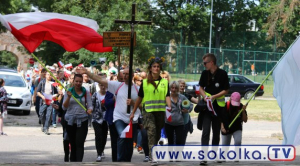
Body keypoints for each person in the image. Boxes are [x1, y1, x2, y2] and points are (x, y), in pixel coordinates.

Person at [75, 67, 141, 162]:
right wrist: (88, 73)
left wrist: (133, 103)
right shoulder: (117, 85)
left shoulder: (138, 89)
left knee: (129, 141)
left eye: (127, 74)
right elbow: (101, 80)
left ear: (132, 75)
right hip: (119, 118)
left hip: (132, 119)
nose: (125, 76)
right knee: (122, 136)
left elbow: (142, 107)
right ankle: (120, 161)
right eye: (124, 74)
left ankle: (127, 161)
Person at [130, 56, 171, 165]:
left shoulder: (165, 82)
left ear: (160, 68)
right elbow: (139, 98)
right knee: (151, 131)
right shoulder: (145, 82)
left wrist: (170, 108)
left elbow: (167, 96)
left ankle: (153, 151)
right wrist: (133, 112)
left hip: (160, 112)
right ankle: (153, 156)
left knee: (157, 134)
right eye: (154, 66)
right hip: (148, 112)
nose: (156, 68)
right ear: (150, 68)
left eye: (158, 67)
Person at [198, 53, 229, 165]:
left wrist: (214, 97)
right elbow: (201, 87)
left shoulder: (222, 74)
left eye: (205, 63)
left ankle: (214, 154)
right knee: (205, 132)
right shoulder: (204, 73)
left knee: (216, 133)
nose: (204, 65)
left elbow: (226, 90)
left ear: (212, 62)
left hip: (218, 109)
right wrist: (205, 97)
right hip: (207, 108)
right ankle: (204, 156)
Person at [62, 74, 93, 162]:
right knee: (73, 143)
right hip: (70, 121)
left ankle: (79, 162)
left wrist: (89, 110)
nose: (78, 83)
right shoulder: (69, 91)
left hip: (82, 120)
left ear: (82, 82)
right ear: (73, 81)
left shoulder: (86, 92)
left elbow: (90, 106)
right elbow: (64, 107)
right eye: (76, 81)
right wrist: (68, 97)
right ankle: (72, 162)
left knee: (80, 143)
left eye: (80, 81)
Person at [165, 81, 193, 146]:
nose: (174, 90)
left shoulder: (182, 97)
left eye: (175, 88)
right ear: (170, 88)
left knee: (179, 141)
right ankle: (171, 155)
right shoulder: (166, 97)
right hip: (168, 122)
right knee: (170, 142)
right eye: (172, 88)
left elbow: (190, 105)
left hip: (179, 123)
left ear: (178, 89)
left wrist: (187, 110)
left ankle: (178, 155)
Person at [91, 82, 113, 162]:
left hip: (106, 118)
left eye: (104, 85)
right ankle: (99, 153)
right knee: (98, 135)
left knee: (104, 136)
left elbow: (111, 105)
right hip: (96, 118)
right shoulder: (95, 95)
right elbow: (91, 105)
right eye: (101, 85)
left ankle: (102, 149)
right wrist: (90, 110)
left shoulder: (109, 95)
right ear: (99, 86)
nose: (103, 87)